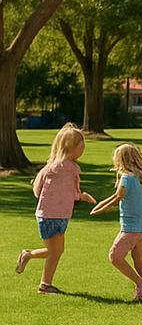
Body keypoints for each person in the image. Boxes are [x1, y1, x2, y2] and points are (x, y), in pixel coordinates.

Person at [16, 123, 96, 294]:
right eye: (80, 147)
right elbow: (75, 193)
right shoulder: (72, 169)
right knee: (56, 251)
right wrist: (83, 196)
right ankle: (45, 285)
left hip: (49, 215)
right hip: (54, 216)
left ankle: (27, 255)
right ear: (70, 147)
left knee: (55, 250)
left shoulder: (49, 167)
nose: (82, 151)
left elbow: (37, 191)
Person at [90, 143, 142, 301]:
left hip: (132, 228)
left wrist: (101, 209)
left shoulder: (126, 178)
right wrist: (99, 206)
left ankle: (141, 284)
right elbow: (115, 196)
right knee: (137, 256)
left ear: (122, 160)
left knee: (115, 256)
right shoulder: (141, 177)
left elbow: (117, 197)